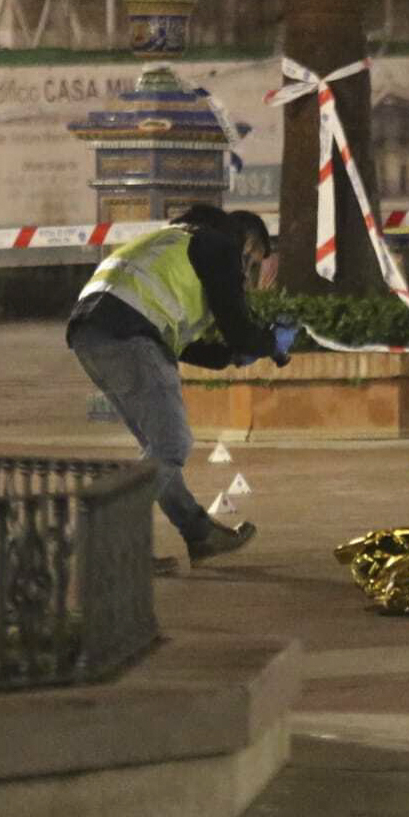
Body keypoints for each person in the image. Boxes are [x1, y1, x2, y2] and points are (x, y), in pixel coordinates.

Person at [67, 204, 295, 563]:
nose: (248, 272)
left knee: (159, 450)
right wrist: (270, 343)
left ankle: (198, 532)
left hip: (92, 333)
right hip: (130, 335)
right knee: (172, 444)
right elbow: (238, 328)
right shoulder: (219, 246)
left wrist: (232, 356)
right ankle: (107, 539)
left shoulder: (172, 242)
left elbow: (184, 343)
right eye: (252, 260)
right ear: (245, 240)